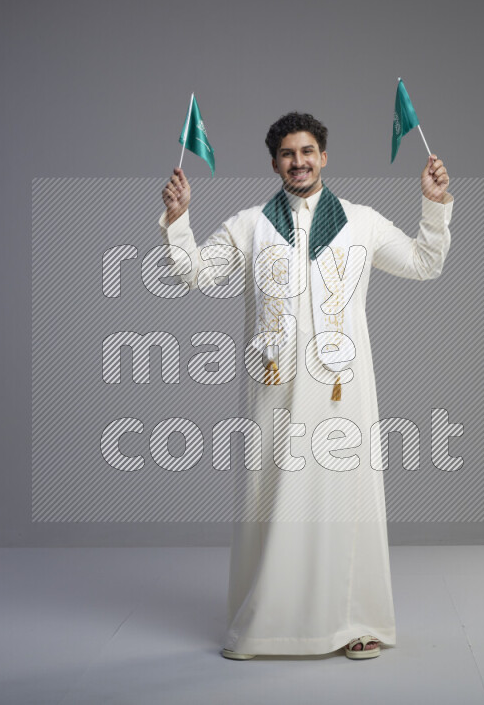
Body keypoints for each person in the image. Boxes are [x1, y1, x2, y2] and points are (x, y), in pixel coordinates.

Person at [159, 112, 452, 660]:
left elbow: (424, 261)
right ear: (275, 163)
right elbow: (194, 273)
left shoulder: (360, 223)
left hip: (344, 391)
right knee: (272, 501)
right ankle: (265, 624)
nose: (299, 161)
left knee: (348, 500)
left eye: (308, 151)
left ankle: (356, 622)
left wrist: (433, 205)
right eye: (289, 154)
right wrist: (178, 220)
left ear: (324, 156)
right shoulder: (250, 225)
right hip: (275, 391)